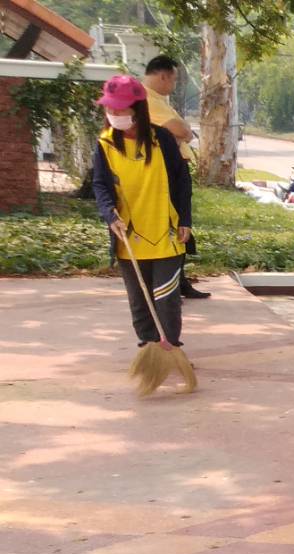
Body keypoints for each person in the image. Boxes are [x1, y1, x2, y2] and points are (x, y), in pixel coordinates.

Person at [91, 76, 192, 354]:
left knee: (166, 298)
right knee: (140, 300)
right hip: (129, 236)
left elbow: (182, 181)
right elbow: (100, 184)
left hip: (166, 235)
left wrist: (185, 219)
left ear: (137, 109)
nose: (113, 115)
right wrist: (109, 215)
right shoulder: (105, 144)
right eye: (109, 109)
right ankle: (148, 351)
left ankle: (169, 350)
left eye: (119, 109)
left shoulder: (163, 140)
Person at [139, 56, 207, 301]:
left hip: (175, 167)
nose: (174, 85)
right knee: (176, 222)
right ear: (163, 75)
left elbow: (183, 131)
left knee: (182, 221)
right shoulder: (146, 98)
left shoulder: (157, 100)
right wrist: (185, 132)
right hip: (166, 169)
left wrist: (184, 132)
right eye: (174, 79)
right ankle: (171, 284)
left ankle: (180, 280)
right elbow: (181, 130)